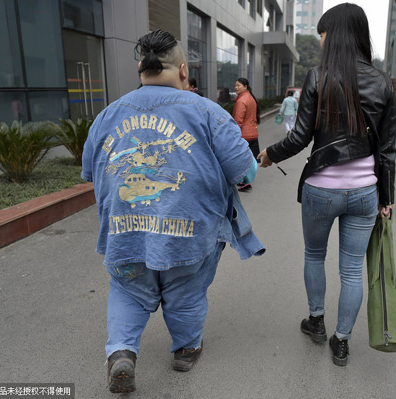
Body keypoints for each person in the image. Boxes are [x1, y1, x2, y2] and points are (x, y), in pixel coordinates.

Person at [81, 29, 264, 393]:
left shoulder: (107, 116)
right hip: (190, 237)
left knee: (128, 290)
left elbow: (90, 171)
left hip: (125, 232)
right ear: (183, 71)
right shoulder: (208, 113)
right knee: (187, 292)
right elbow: (245, 171)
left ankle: (120, 352)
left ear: (140, 69)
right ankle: (185, 349)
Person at [257, 3, 396, 367]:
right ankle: (343, 340)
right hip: (366, 191)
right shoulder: (382, 81)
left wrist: (270, 154)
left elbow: (300, 137)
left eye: (321, 34)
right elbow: (388, 148)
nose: (319, 41)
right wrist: (387, 197)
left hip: (322, 188)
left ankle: (316, 321)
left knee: (314, 256)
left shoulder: (318, 76)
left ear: (333, 36)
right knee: (351, 270)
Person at [233, 77, 261, 192]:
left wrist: (234, 135)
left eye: (238, 85)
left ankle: (247, 182)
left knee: (244, 159)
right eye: (235, 85)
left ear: (245, 86)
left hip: (244, 134)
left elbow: (238, 121)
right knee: (250, 158)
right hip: (252, 132)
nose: (236, 87)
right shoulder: (250, 98)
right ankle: (243, 179)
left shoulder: (241, 101)